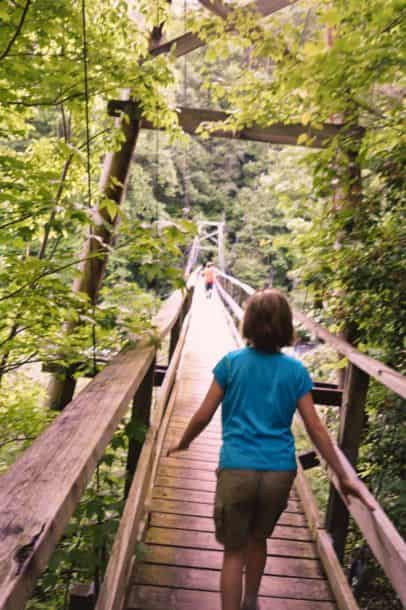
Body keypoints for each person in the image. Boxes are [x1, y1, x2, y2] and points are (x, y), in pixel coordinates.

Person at [167, 288, 375, 610]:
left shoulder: (230, 364)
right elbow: (315, 428)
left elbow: (204, 414)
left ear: (248, 322)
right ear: (286, 326)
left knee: (233, 552)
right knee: (258, 539)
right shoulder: (296, 372)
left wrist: (183, 442)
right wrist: (342, 473)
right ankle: (251, 600)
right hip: (279, 471)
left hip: (237, 467)